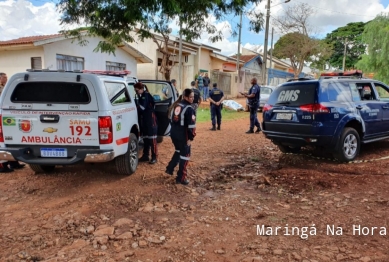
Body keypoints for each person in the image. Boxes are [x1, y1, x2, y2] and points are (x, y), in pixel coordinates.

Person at [165, 89, 196, 185]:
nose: (192, 99)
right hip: (183, 135)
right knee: (185, 156)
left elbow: (171, 120)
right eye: (191, 97)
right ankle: (181, 178)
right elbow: (191, 126)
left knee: (178, 151)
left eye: (193, 97)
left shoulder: (177, 105)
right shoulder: (189, 109)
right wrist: (190, 138)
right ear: (186, 97)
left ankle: (169, 169)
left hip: (174, 133)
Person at [0, 72, 25, 172]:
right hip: (3, 113)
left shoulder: (7, 86)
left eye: (6, 77)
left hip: (9, 115)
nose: (6, 79)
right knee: (2, 141)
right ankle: (3, 166)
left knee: (12, 138)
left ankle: (14, 163)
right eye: (4, 77)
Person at [134, 82, 158, 164]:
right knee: (146, 138)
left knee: (152, 138)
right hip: (145, 119)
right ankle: (146, 155)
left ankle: (154, 157)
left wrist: (134, 108)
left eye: (137, 90)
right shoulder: (142, 95)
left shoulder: (145, 95)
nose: (136, 92)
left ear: (141, 89)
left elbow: (142, 107)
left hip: (150, 119)